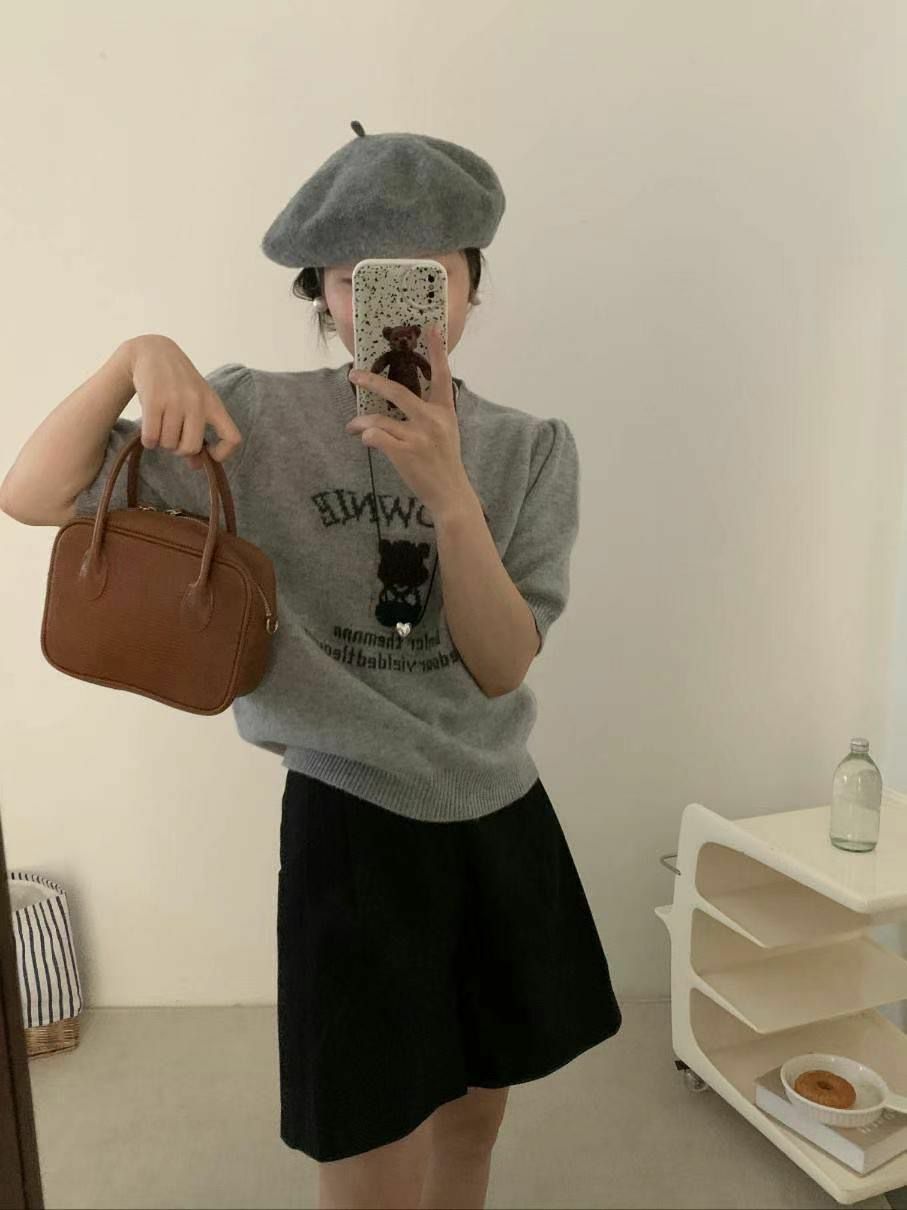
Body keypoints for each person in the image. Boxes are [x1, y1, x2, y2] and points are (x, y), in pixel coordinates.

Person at [0, 119, 622, 1210]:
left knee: (473, 1118)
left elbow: (499, 667)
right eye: (357, 280)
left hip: (497, 813)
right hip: (350, 819)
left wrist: (451, 495)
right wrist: (133, 357)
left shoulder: (529, 449)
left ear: (472, 286)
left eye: (430, 277)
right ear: (326, 301)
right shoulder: (256, 417)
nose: (398, 306)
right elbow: (35, 496)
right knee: (371, 1142)